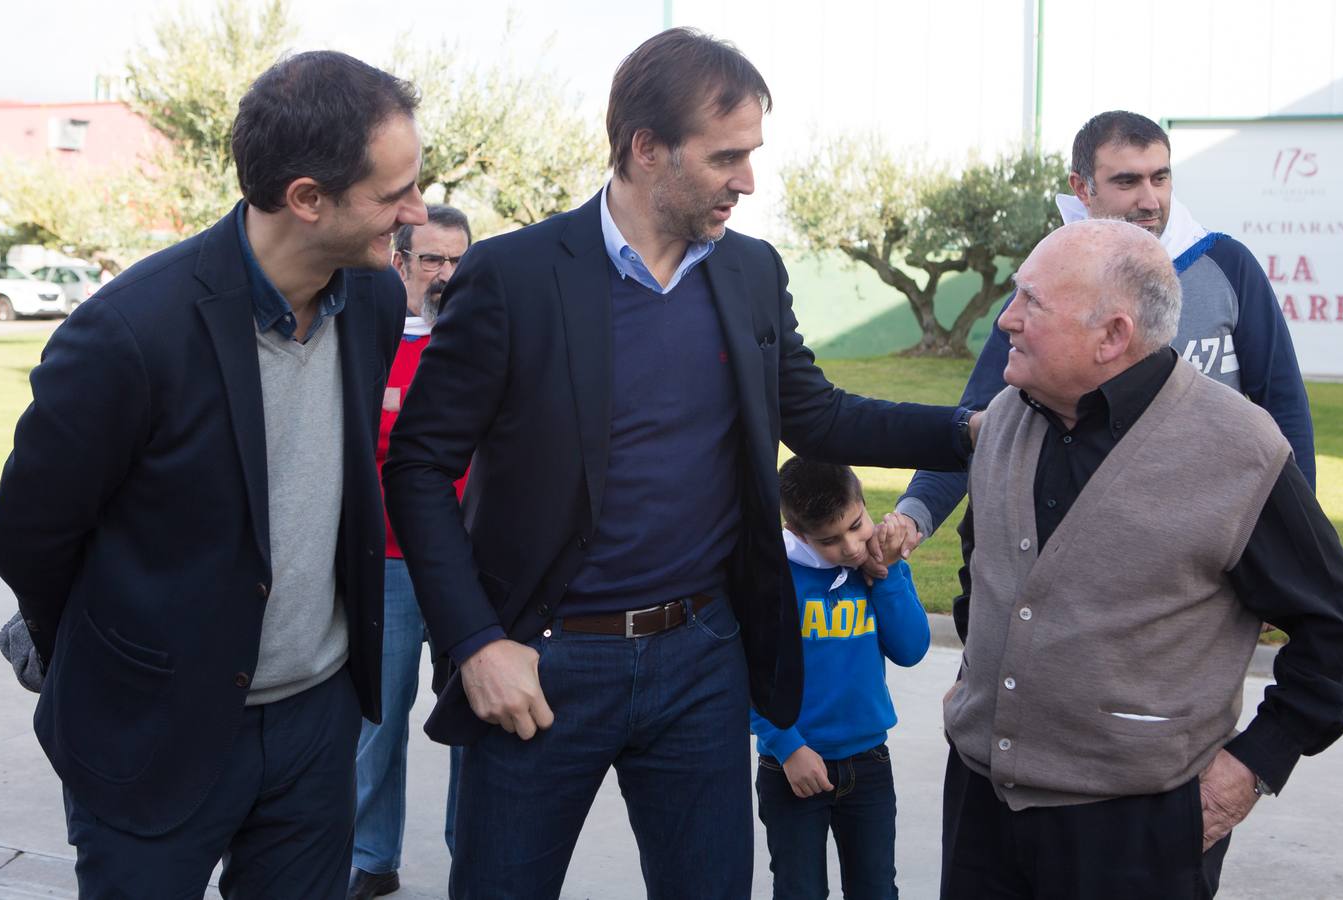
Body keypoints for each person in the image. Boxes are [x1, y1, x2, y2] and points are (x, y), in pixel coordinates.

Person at [383, 27, 978, 900]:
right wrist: (475, 643)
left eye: (752, 155)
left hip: (700, 658)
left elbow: (817, 412)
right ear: (645, 148)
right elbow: (417, 467)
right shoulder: (514, 276)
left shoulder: (748, 273)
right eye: (727, 156)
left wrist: (969, 433)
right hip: (543, 664)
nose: (748, 180)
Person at [0, 51, 424, 898]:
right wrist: (106, 665)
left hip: (315, 724)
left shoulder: (369, 300)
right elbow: (28, 536)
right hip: (150, 736)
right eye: (393, 193)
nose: (414, 211)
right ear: (306, 199)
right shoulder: (127, 334)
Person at [940, 218, 1343, 899]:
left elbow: (1339, 631)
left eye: (1031, 302)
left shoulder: (1237, 450)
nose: (1006, 320)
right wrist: (978, 677)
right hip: (981, 812)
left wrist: (1248, 769)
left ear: (1113, 336)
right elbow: (982, 567)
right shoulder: (1005, 418)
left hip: (1136, 833)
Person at [898, 109, 1315, 547]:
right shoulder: (1044, 286)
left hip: (1212, 540)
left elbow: (1283, 404)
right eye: (1127, 181)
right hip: (1081, 551)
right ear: (1082, 188)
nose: (1150, 199)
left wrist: (1299, 547)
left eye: (1160, 178)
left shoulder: (1228, 266)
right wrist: (914, 515)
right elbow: (980, 423)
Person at [349, 205, 471, 900]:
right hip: (388, 564)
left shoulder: (483, 343)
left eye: (457, 260)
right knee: (378, 722)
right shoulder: (370, 343)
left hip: (466, 566)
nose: (445, 273)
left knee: (472, 719)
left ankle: (474, 854)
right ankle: (372, 857)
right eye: (431, 258)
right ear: (399, 262)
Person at [752, 458, 931, 900]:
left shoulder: (874, 569)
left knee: (875, 889)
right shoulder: (772, 578)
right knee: (799, 890)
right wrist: (788, 747)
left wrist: (885, 577)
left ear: (866, 505)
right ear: (797, 533)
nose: (851, 547)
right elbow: (750, 676)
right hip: (792, 767)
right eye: (830, 540)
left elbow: (910, 649)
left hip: (868, 762)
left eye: (857, 525)